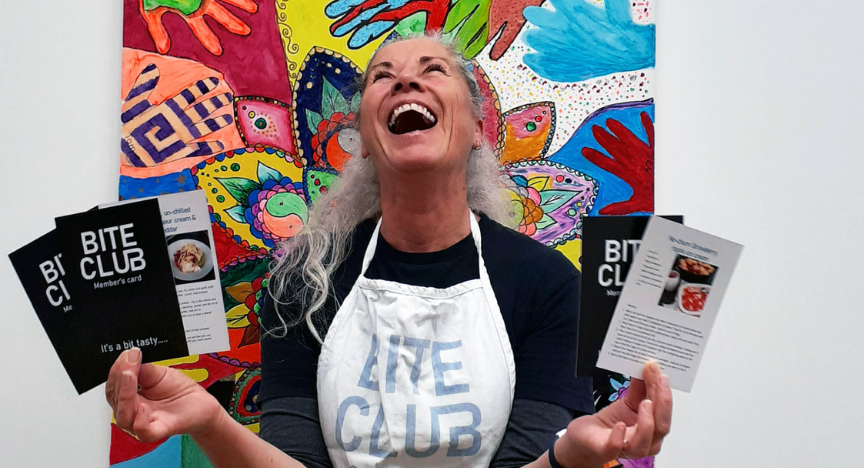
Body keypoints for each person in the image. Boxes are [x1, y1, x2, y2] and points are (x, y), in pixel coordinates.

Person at [106, 33, 672, 468]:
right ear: (363, 138)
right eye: (384, 77)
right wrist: (209, 421)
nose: (407, 83)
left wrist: (569, 455)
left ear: (478, 125)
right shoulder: (304, 283)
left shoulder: (547, 284)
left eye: (433, 71)